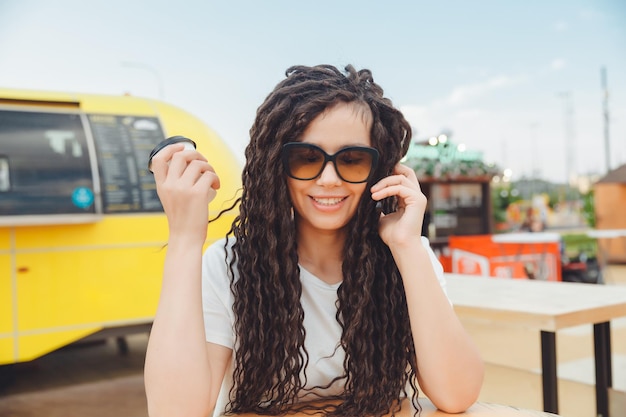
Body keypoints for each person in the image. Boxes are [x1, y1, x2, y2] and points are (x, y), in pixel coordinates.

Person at [144, 64, 484, 417]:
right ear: (277, 165)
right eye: (307, 158)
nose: (329, 178)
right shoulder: (230, 266)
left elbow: (456, 393)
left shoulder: (407, 256)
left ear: (380, 170)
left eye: (352, 159)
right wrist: (185, 238)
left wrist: (408, 247)